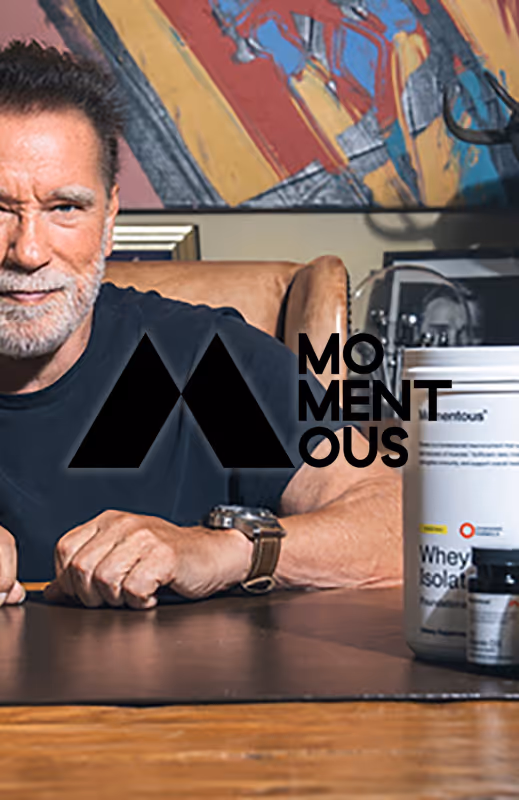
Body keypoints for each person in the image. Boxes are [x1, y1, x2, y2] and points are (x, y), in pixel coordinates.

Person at [0, 40, 401, 609]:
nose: (28, 250)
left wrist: (222, 552)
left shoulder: (196, 365)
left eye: (66, 207)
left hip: (187, 698)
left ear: (109, 219)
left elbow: (394, 526)